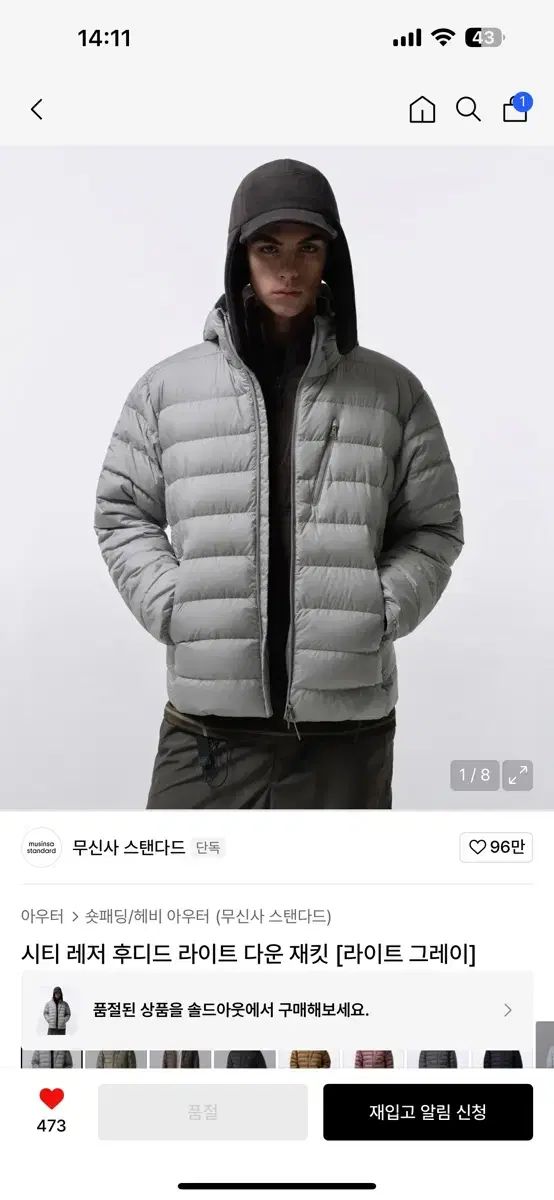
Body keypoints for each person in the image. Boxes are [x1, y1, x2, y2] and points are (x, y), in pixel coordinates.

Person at [95, 158, 463, 809]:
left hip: (345, 733)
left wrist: (378, 610)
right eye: (269, 248)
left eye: (308, 248)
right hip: (207, 731)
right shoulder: (167, 389)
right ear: (240, 256)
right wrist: (175, 607)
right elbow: (123, 511)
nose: (288, 269)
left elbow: (433, 527)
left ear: (331, 258)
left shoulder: (391, 392)